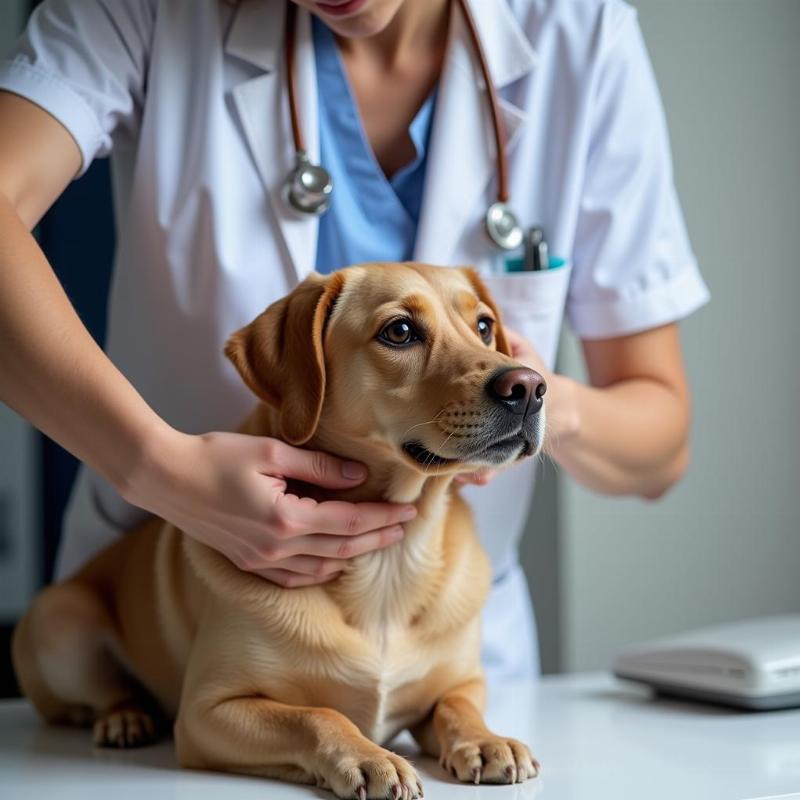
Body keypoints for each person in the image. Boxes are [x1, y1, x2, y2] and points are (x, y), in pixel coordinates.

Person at [0, 0, 708, 685]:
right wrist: (156, 468)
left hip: (449, 656)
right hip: (188, 636)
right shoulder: (145, 10)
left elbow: (661, 444)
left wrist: (536, 400)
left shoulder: (582, 35)